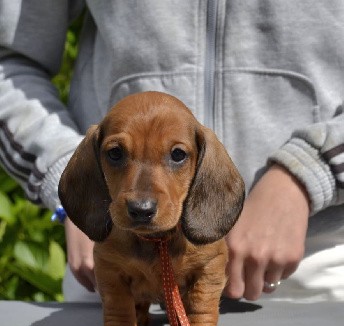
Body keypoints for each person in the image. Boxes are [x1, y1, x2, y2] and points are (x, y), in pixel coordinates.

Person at [1, 0, 343, 303]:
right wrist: (76, 188)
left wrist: (312, 171)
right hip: (115, 255)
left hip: (311, 262)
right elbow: (8, 63)